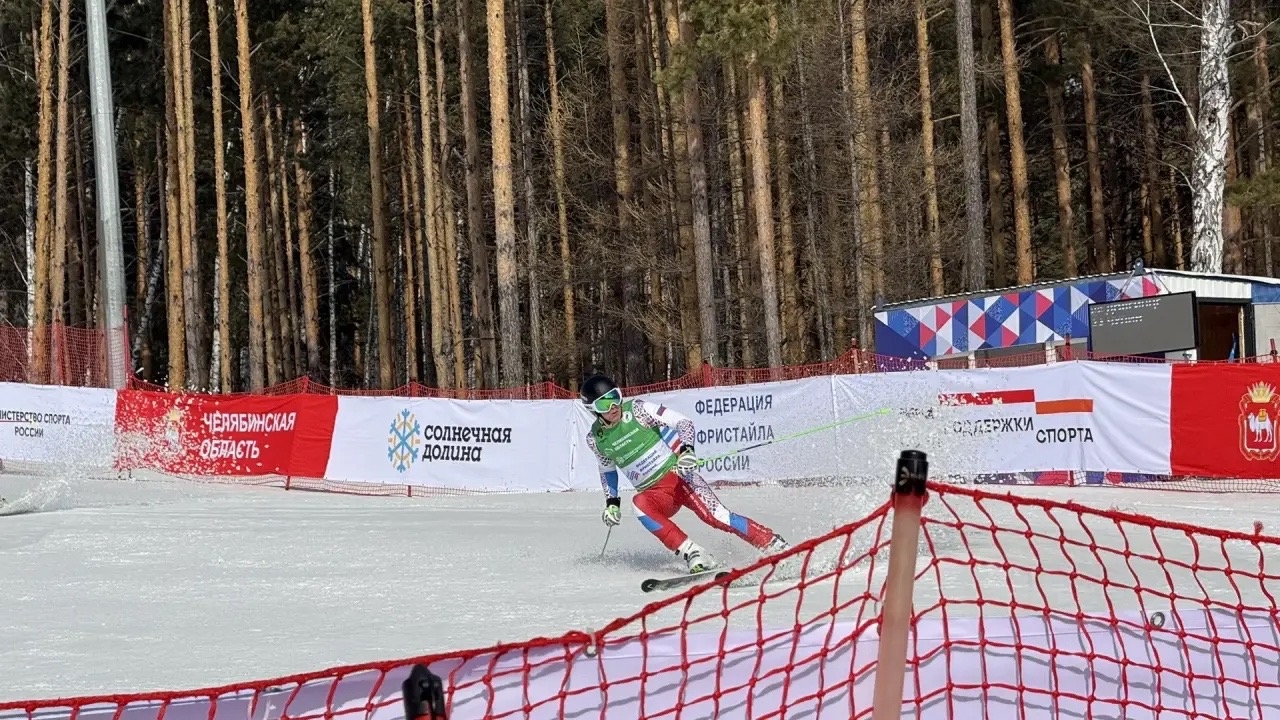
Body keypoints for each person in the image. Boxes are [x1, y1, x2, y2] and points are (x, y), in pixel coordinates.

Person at [580, 373, 789, 573]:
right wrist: (612, 503)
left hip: (679, 476)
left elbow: (683, 422)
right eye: (604, 404)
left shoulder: (637, 409)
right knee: (639, 504)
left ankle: (772, 542)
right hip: (656, 495)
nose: (613, 406)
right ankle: (694, 553)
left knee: (716, 517)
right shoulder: (595, 439)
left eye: (615, 397)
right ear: (592, 409)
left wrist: (686, 450)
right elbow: (607, 469)